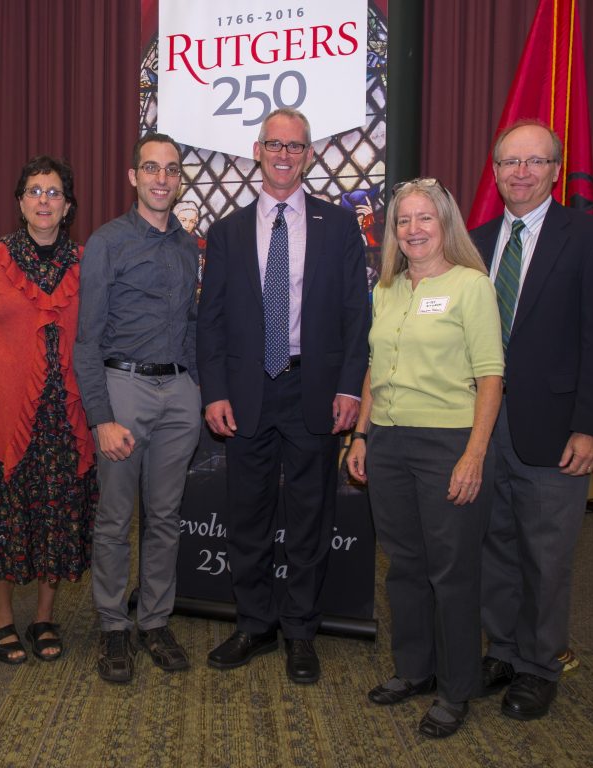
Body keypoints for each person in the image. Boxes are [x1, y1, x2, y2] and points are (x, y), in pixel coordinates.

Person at [197, 108, 370, 684]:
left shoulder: (338, 227)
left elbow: (355, 313)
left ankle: (300, 632)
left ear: (309, 155)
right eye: (275, 144)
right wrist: (215, 392)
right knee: (246, 516)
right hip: (246, 393)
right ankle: (254, 624)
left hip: (312, 390)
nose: (284, 154)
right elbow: (211, 322)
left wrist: (350, 385)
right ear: (257, 149)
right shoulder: (225, 232)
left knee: (310, 518)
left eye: (295, 147)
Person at [470, 119, 593, 720]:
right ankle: (503, 651)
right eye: (511, 162)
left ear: (556, 171)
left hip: (558, 429)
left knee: (546, 553)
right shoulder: (476, 242)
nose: (521, 172)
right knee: (495, 545)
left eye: (535, 162)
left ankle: (539, 666)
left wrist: (592, 427)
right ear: (496, 170)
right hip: (482, 426)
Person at [346, 178, 503, 738]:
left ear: (445, 225)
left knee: (453, 572)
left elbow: (490, 376)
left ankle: (457, 688)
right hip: (387, 443)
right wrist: (360, 436)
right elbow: (371, 365)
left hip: (447, 444)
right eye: (403, 221)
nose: (413, 229)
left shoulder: (471, 286)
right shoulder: (386, 287)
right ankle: (414, 670)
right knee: (406, 567)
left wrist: (474, 455)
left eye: (424, 219)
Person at [0, 156, 97, 664]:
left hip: (65, 415)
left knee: (57, 518)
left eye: (54, 192)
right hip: (3, 415)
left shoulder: (86, 262)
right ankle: (2, 618)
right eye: (34, 191)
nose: (44, 200)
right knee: (5, 520)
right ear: (19, 202)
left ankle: (43, 617)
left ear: (68, 205)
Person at [74, 133, 201, 684]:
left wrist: (198, 389)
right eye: (151, 168)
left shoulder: (187, 246)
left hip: (179, 394)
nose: (161, 179)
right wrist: (101, 417)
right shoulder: (107, 242)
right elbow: (86, 340)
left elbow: (192, 326)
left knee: (166, 517)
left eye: (171, 170)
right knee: (114, 518)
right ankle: (111, 627)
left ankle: (153, 621)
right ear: (133, 177)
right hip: (122, 389)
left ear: (179, 179)